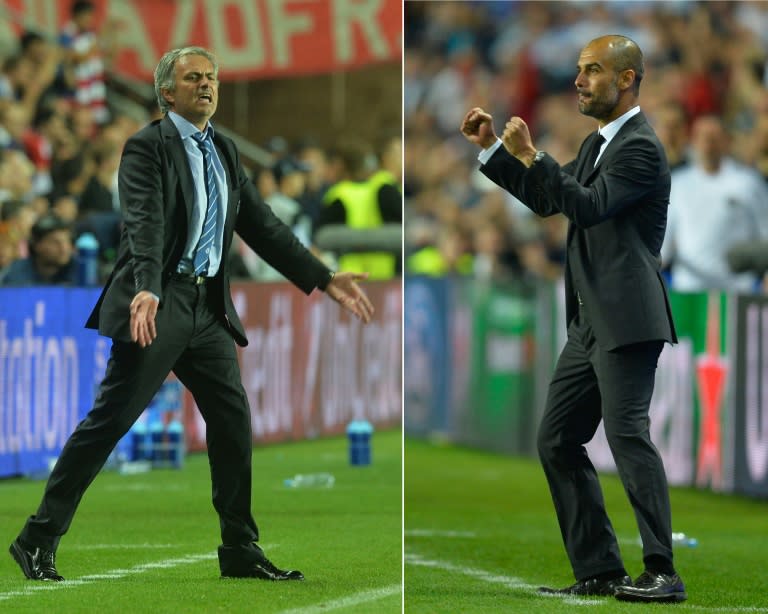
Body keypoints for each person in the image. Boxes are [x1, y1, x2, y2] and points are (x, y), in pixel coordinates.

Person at [9, 46, 374, 583]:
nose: (206, 85)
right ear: (166, 92)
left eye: (212, 77)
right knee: (111, 421)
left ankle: (240, 548)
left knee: (232, 421)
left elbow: (262, 224)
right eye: (193, 77)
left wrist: (321, 275)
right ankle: (37, 538)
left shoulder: (224, 149)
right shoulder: (145, 147)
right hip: (159, 301)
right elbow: (144, 222)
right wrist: (148, 288)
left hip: (207, 308)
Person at [460, 35, 685, 603]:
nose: (579, 81)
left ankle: (662, 569)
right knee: (558, 439)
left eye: (592, 71)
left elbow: (586, 205)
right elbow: (548, 201)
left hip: (627, 318)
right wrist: (494, 152)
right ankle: (601, 568)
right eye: (580, 70)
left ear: (627, 79)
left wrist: (535, 156)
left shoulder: (639, 147)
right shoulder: (597, 144)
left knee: (627, 434)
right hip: (590, 322)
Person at [661, 115, 768, 292]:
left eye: (714, 138)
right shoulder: (678, 184)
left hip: (737, 289)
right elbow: (664, 242)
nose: (708, 145)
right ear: (693, 142)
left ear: (726, 141)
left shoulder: (748, 183)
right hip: (689, 287)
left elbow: (765, 230)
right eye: (703, 138)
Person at [2, 213, 77, 285]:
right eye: (55, 242)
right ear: (36, 245)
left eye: (67, 241)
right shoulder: (17, 272)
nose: (64, 248)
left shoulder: (80, 271)